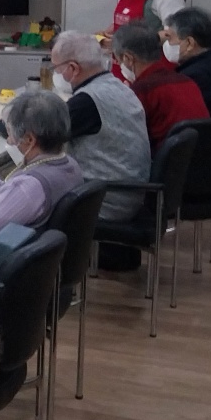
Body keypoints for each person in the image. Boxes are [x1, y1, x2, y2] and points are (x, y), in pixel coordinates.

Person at [48, 31, 150, 270]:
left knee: (30, 189)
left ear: (73, 68)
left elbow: (41, 134)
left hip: (106, 200)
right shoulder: (119, 88)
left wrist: (3, 124)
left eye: (56, 68)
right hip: (129, 193)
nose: (57, 74)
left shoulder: (87, 101)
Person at [0, 91, 84, 251]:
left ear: (30, 139)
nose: (10, 140)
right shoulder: (70, 165)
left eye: (12, 134)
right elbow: (17, 202)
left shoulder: (30, 186)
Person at [113, 23, 209, 148]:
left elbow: (125, 139)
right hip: (204, 153)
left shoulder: (143, 92)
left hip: (166, 157)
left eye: (118, 60)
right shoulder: (187, 81)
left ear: (128, 58)